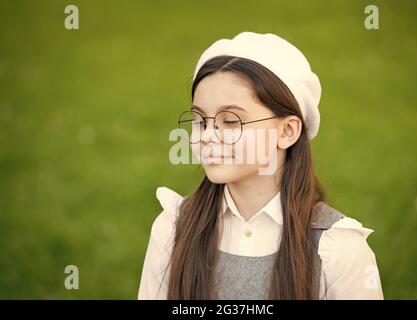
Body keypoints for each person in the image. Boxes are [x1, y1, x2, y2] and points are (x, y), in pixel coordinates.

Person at [138, 31, 384, 300]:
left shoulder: (339, 250)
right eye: (201, 121)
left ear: (287, 131)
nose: (207, 136)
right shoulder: (172, 229)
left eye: (230, 121)